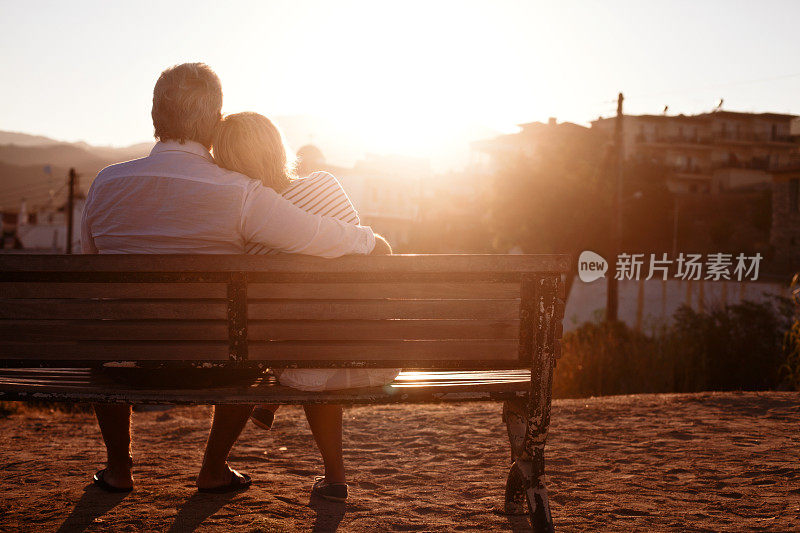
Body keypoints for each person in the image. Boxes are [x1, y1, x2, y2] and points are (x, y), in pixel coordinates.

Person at [80, 63, 389, 494]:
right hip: (218, 369)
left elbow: (89, 274)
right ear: (213, 119)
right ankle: (212, 467)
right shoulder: (240, 192)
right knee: (248, 344)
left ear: (155, 116)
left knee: (107, 333)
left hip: (124, 365)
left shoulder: (104, 184)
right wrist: (370, 241)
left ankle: (118, 468)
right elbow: (320, 236)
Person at [212, 112, 400, 501]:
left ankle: (271, 401)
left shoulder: (249, 217)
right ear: (278, 148)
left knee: (303, 341)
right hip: (370, 344)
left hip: (303, 351)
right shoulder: (326, 184)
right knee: (320, 333)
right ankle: (334, 478)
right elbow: (365, 253)